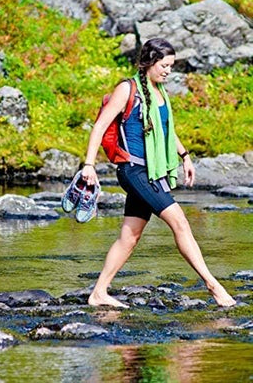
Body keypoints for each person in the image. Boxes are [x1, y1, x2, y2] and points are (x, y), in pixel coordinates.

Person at [83, 38, 236, 308]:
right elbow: (99, 126)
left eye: (171, 67)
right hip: (134, 170)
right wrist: (88, 165)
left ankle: (99, 293)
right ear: (150, 62)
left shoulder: (159, 91)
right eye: (164, 65)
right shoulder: (126, 89)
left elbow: (165, 130)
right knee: (180, 223)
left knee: (130, 236)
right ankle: (214, 286)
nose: (168, 71)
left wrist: (185, 156)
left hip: (151, 172)